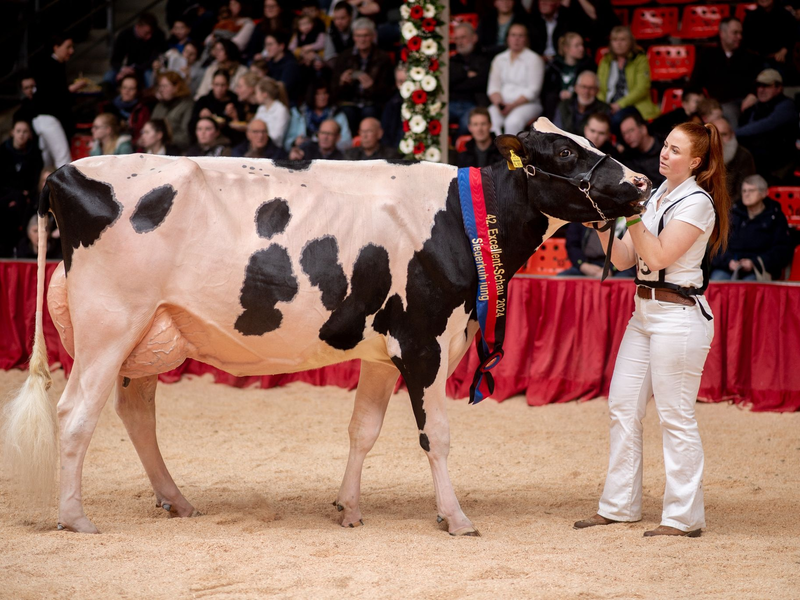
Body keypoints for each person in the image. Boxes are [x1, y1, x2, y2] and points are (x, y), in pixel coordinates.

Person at [575, 121, 731, 538]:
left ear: (695, 162)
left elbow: (659, 254)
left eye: (675, 149)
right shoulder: (659, 193)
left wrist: (630, 212)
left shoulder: (697, 202)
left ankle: (683, 518)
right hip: (643, 313)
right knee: (622, 406)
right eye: (664, 145)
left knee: (675, 417)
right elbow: (627, 259)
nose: (664, 153)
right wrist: (603, 221)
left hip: (678, 317)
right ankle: (620, 505)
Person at [710, 175, 793, 280]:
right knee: (717, 281)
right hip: (729, 267)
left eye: (751, 190)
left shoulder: (775, 217)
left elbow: (782, 250)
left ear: (764, 193)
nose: (746, 194)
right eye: (744, 191)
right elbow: (718, 245)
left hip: (758, 269)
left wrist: (754, 263)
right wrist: (728, 262)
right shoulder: (733, 215)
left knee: (750, 285)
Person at [688, 17, 761, 125]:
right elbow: (694, 83)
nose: (739, 37)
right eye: (735, 33)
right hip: (715, 103)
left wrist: (753, 94)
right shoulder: (707, 55)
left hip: (743, 102)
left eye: (741, 33)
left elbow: (759, 81)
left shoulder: (749, 56)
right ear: (722, 33)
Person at [331, 18, 395, 135]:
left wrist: (372, 87)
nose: (362, 40)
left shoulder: (383, 58)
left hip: (372, 103)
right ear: (353, 37)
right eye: (358, 36)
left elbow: (388, 92)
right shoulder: (344, 57)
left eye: (365, 36)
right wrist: (342, 82)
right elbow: (334, 90)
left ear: (373, 36)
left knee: (369, 112)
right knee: (347, 112)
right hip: (349, 102)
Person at [736, 69, 798, 182]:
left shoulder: (787, 105)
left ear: (779, 88)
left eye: (766, 86)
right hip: (757, 161)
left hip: (778, 163)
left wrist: (732, 133)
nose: (761, 90)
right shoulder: (756, 106)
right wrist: (746, 111)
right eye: (758, 86)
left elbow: (765, 125)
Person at [597, 26, 659, 131]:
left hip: (633, 105)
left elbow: (642, 88)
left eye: (622, 39)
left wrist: (620, 104)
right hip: (608, 105)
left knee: (615, 121)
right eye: (615, 40)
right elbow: (599, 88)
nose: (619, 43)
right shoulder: (605, 61)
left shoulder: (640, 59)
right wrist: (602, 106)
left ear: (630, 41)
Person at [487, 23, 545, 135]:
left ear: (526, 39)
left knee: (513, 122)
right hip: (502, 103)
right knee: (489, 117)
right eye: (513, 35)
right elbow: (493, 87)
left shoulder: (534, 59)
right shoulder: (499, 59)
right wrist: (500, 104)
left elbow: (533, 90)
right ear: (508, 38)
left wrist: (512, 105)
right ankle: (496, 150)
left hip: (527, 104)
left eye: (520, 36)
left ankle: (512, 152)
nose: (516, 39)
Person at [32, 35, 87, 137]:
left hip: (53, 117)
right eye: (68, 47)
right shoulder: (48, 65)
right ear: (56, 47)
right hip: (49, 117)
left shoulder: (60, 64)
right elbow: (51, 93)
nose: (71, 51)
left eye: (72, 47)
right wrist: (73, 88)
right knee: (62, 153)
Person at [542, 32, 596, 120]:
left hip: (579, 105)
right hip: (556, 105)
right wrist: (559, 93)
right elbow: (547, 90)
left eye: (582, 45)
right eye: (577, 46)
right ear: (566, 48)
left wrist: (573, 93)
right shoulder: (554, 66)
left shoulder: (588, 66)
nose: (582, 48)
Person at [449, 23, 491, 136]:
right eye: (456, 38)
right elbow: (448, 82)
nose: (460, 42)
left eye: (463, 37)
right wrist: (466, 75)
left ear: (474, 38)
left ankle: (458, 150)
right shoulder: (452, 60)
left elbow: (481, 82)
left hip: (474, 104)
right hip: (451, 103)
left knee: (467, 123)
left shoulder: (484, 58)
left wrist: (458, 80)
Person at [107, 13, 166, 87]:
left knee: (149, 76)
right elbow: (115, 60)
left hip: (147, 67)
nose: (149, 36)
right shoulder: (125, 35)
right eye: (146, 33)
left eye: (151, 33)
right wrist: (122, 69)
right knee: (109, 76)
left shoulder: (158, 34)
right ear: (138, 27)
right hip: (129, 67)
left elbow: (155, 56)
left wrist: (135, 69)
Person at [709, 117, 755, 206]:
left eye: (724, 134)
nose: (720, 140)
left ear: (732, 135)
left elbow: (743, 193)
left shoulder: (743, 156)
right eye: (715, 135)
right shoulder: (699, 156)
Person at [741, 0, 797, 70]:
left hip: (779, 61)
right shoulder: (750, 16)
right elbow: (745, 41)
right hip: (755, 61)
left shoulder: (786, 15)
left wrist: (785, 49)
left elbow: (793, 35)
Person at [190, 69, 241, 144]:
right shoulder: (203, 101)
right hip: (203, 141)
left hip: (228, 140)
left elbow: (239, 129)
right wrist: (200, 117)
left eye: (223, 85)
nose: (219, 89)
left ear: (228, 85)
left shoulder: (235, 101)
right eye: (216, 85)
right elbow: (191, 126)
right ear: (212, 85)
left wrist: (234, 117)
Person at [553, 71, 608, 135]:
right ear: (576, 88)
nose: (586, 92)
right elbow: (556, 132)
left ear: (597, 91)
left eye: (591, 88)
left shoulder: (604, 110)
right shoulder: (564, 106)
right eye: (583, 87)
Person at [151, 71, 195, 150]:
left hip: (178, 151)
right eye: (160, 86)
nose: (161, 90)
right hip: (156, 148)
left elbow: (186, 137)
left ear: (176, 87)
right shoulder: (159, 106)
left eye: (165, 86)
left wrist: (164, 138)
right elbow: (151, 126)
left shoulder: (188, 105)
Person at [619, 110, 664, 187]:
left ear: (643, 129)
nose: (627, 137)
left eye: (631, 130)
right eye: (624, 134)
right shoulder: (628, 158)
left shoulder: (664, 147)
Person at [0, 119, 44, 198]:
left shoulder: (35, 153)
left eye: (25, 131)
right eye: (18, 131)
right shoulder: (3, 151)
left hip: (29, 196)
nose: (21, 134)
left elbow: (37, 177)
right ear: (12, 132)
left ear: (30, 134)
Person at [105, 75, 151, 145]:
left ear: (137, 91)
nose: (127, 91)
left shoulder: (141, 110)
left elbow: (140, 134)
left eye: (131, 89)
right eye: (124, 87)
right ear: (120, 89)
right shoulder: (111, 106)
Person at [262, 30, 305, 105]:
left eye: (270, 44)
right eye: (266, 45)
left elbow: (283, 89)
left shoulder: (291, 65)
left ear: (281, 46)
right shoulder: (268, 63)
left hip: (288, 104)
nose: (267, 48)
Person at [254, 77, 291, 147]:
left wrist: (260, 137)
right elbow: (254, 127)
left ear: (265, 94)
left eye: (256, 93)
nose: (255, 96)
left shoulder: (281, 110)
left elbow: (277, 136)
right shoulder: (261, 109)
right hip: (259, 145)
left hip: (274, 148)